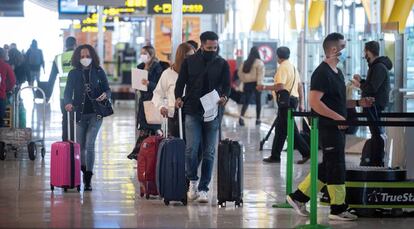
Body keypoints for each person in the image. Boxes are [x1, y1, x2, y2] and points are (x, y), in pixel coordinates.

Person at [287, 33, 374, 221]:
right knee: (336, 166)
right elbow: (315, 102)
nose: (346, 49)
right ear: (334, 50)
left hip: (337, 126)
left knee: (329, 166)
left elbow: (339, 102)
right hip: (328, 127)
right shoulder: (321, 73)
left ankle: (298, 197)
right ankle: (337, 208)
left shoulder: (338, 72)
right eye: (343, 46)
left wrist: (359, 102)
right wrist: (338, 119)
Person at [175, 31, 230, 203]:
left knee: (209, 151)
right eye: (209, 47)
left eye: (215, 47)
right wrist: (178, 97)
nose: (212, 50)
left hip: (212, 111)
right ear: (202, 45)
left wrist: (224, 97)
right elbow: (181, 83)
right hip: (192, 109)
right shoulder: (189, 62)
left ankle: (204, 188)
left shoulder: (222, 64)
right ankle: (192, 181)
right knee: (191, 149)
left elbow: (227, 86)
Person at [64, 44, 111, 191]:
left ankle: (88, 178)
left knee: (90, 144)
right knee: (81, 146)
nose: (85, 59)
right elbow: (67, 92)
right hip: (79, 115)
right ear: (78, 57)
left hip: (96, 114)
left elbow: (107, 89)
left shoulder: (98, 71)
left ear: (93, 57)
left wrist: (106, 95)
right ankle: (83, 170)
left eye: (88, 56)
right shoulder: (73, 73)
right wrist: (68, 103)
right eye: (82, 56)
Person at [258, 46, 310, 164]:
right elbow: (300, 86)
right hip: (292, 101)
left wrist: (264, 87)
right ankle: (275, 156)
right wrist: (301, 103)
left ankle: (306, 152)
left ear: (277, 56)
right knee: (280, 130)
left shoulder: (282, 68)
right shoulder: (293, 67)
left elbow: (280, 86)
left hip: (286, 103)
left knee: (291, 129)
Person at [352, 41, 392, 166]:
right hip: (372, 105)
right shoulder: (376, 66)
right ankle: (375, 160)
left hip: (374, 105)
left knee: (376, 133)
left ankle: (376, 160)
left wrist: (359, 85)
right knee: (375, 132)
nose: (364, 55)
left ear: (369, 51)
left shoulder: (379, 67)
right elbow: (372, 85)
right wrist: (362, 81)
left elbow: (372, 88)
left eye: (365, 51)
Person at [126, 45, 163, 160]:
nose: (142, 56)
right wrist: (136, 86)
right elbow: (137, 83)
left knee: (151, 127)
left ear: (151, 55)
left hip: (152, 102)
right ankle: (142, 153)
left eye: (145, 53)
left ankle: (141, 152)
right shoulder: (140, 67)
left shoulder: (157, 68)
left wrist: (148, 83)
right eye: (141, 53)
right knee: (144, 127)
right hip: (143, 101)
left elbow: (160, 86)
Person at [152, 42, 194, 137]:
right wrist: (161, 107)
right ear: (180, 57)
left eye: (193, 56)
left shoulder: (196, 73)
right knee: (177, 146)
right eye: (187, 56)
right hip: (174, 118)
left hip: (193, 116)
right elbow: (157, 94)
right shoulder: (168, 74)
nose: (191, 59)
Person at [49, 36, 77, 141]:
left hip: (64, 96)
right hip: (78, 95)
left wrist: (47, 95)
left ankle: (65, 144)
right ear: (75, 45)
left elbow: (52, 78)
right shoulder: (79, 57)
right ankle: (76, 146)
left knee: (65, 120)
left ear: (65, 45)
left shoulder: (58, 58)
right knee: (78, 121)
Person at [238, 46, 265, 126]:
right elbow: (260, 75)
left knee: (246, 101)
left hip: (247, 84)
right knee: (258, 102)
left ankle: (241, 118)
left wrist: (244, 80)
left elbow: (240, 73)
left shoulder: (246, 62)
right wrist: (259, 84)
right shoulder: (259, 62)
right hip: (256, 84)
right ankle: (258, 119)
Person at [0, 48, 16, 127]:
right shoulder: (6, 66)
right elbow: (13, 81)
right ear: (3, 55)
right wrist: (6, 89)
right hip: (1, 96)